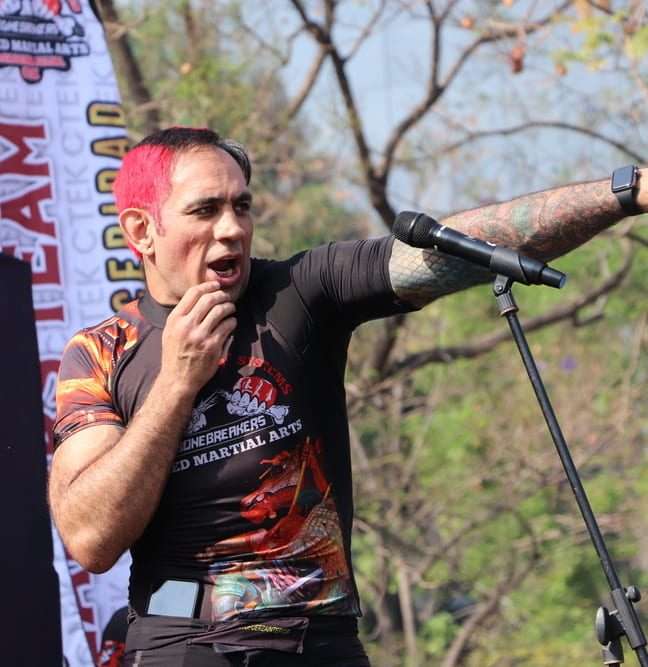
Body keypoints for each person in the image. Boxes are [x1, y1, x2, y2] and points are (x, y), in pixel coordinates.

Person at [48, 127, 646, 666]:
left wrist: (625, 192)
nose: (231, 228)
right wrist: (177, 383)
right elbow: (91, 539)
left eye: (241, 206)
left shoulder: (301, 291)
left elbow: (459, 246)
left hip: (319, 641)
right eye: (205, 210)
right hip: (182, 643)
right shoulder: (100, 354)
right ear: (142, 230)